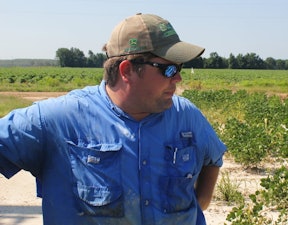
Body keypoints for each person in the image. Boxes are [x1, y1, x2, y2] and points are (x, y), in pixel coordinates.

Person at [0, 13, 226, 225]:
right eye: (168, 69)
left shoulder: (186, 116)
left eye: (180, 67)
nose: (178, 77)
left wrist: (198, 205)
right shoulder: (58, 119)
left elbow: (212, 159)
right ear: (127, 71)